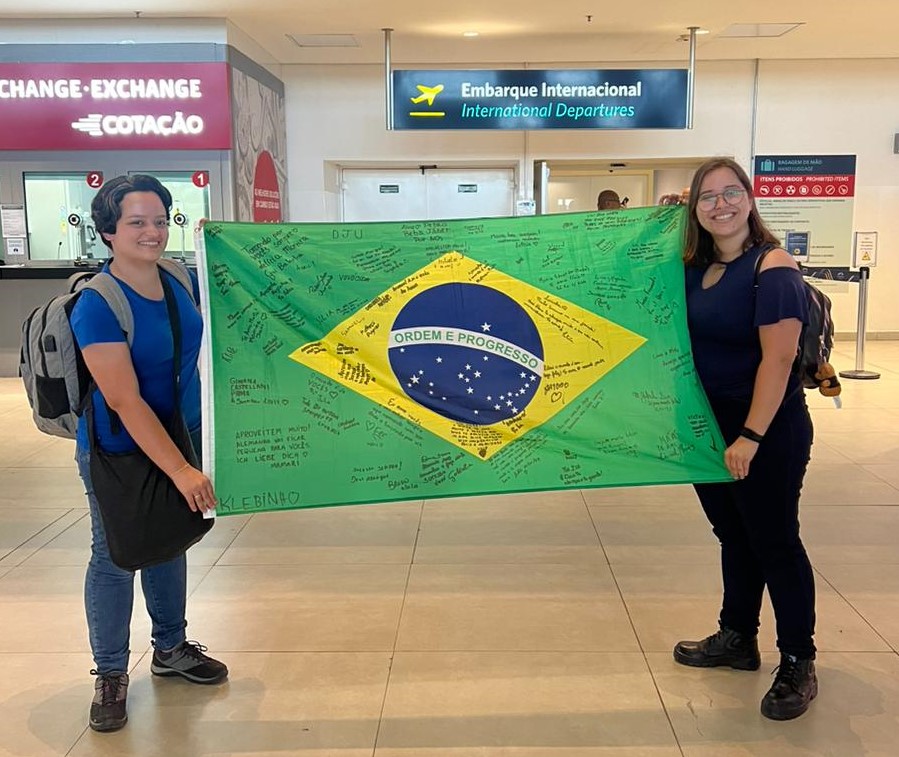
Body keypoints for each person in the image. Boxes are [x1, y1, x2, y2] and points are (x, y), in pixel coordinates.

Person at [71, 174, 228, 733]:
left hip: (179, 432)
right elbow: (124, 399)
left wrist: (221, 242)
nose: (153, 231)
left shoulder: (177, 276)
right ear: (109, 231)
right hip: (120, 449)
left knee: (167, 541)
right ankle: (110, 673)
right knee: (115, 556)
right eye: (137, 222)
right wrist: (182, 470)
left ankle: (170, 647)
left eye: (161, 219)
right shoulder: (97, 303)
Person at [676, 157, 817, 721]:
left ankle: (798, 661)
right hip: (707, 430)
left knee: (775, 541)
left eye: (730, 193)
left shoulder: (773, 266)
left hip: (765, 430)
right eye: (706, 198)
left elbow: (780, 359)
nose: (720, 205)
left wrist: (751, 436)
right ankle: (737, 636)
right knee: (733, 535)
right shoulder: (694, 267)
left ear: (750, 198)